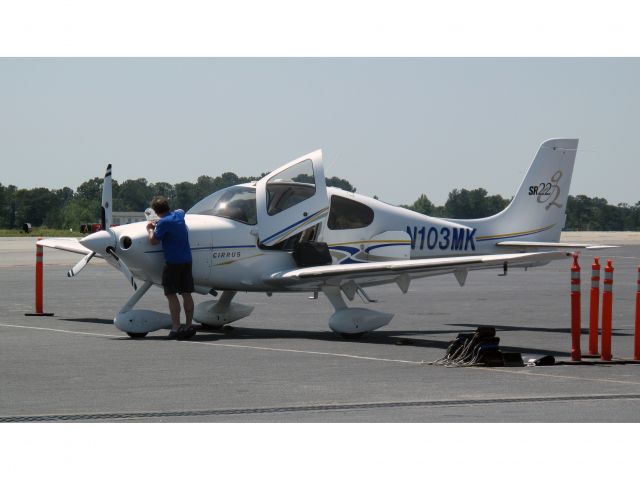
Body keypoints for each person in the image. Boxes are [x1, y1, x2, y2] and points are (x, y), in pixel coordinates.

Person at [146, 196, 196, 340]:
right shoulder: (178, 216)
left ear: (155, 211)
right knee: (186, 293)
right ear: (168, 207)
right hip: (187, 260)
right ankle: (188, 325)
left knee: (171, 294)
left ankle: (175, 326)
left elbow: (154, 241)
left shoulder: (163, 223)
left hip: (173, 263)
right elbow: (181, 210)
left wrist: (150, 228)